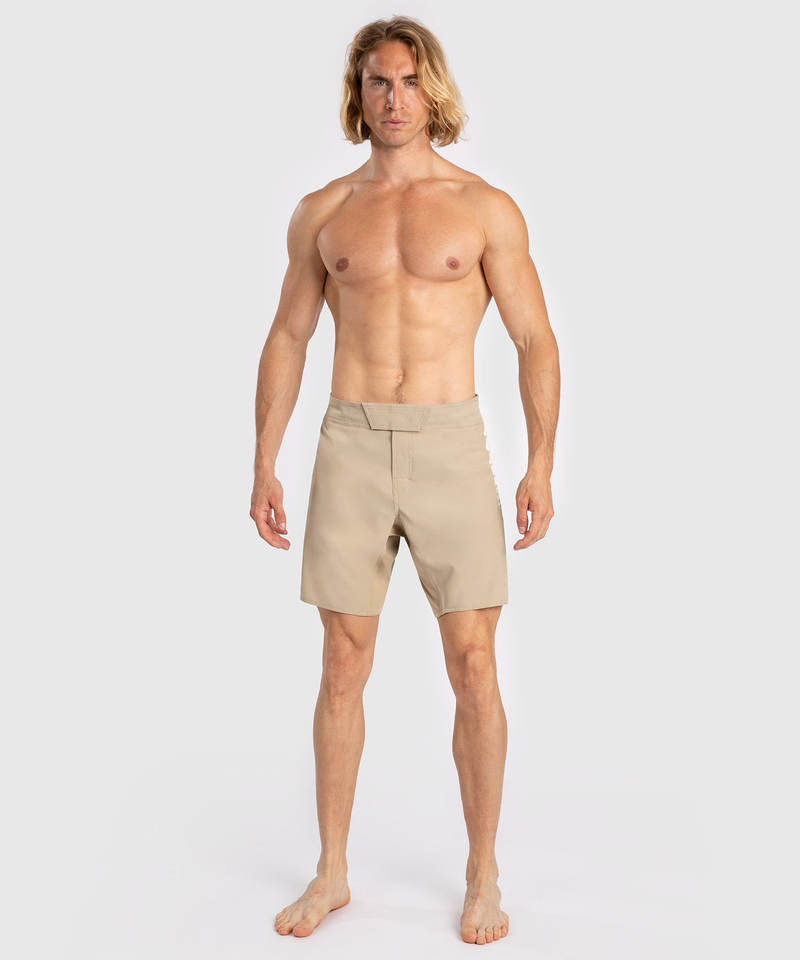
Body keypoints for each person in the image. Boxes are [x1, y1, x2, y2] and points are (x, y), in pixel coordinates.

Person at [250, 15, 560, 946]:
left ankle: (483, 875)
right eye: (378, 81)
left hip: (449, 441)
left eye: (410, 81)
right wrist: (264, 458)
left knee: (475, 663)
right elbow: (289, 334)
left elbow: (534, 338)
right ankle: (332, 871)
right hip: (349, 441)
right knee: (342, 661)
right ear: (359, 93)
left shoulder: (484, 208)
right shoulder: (323, 211)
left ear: (434, 91)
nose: (394, 99)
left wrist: (541, 461)